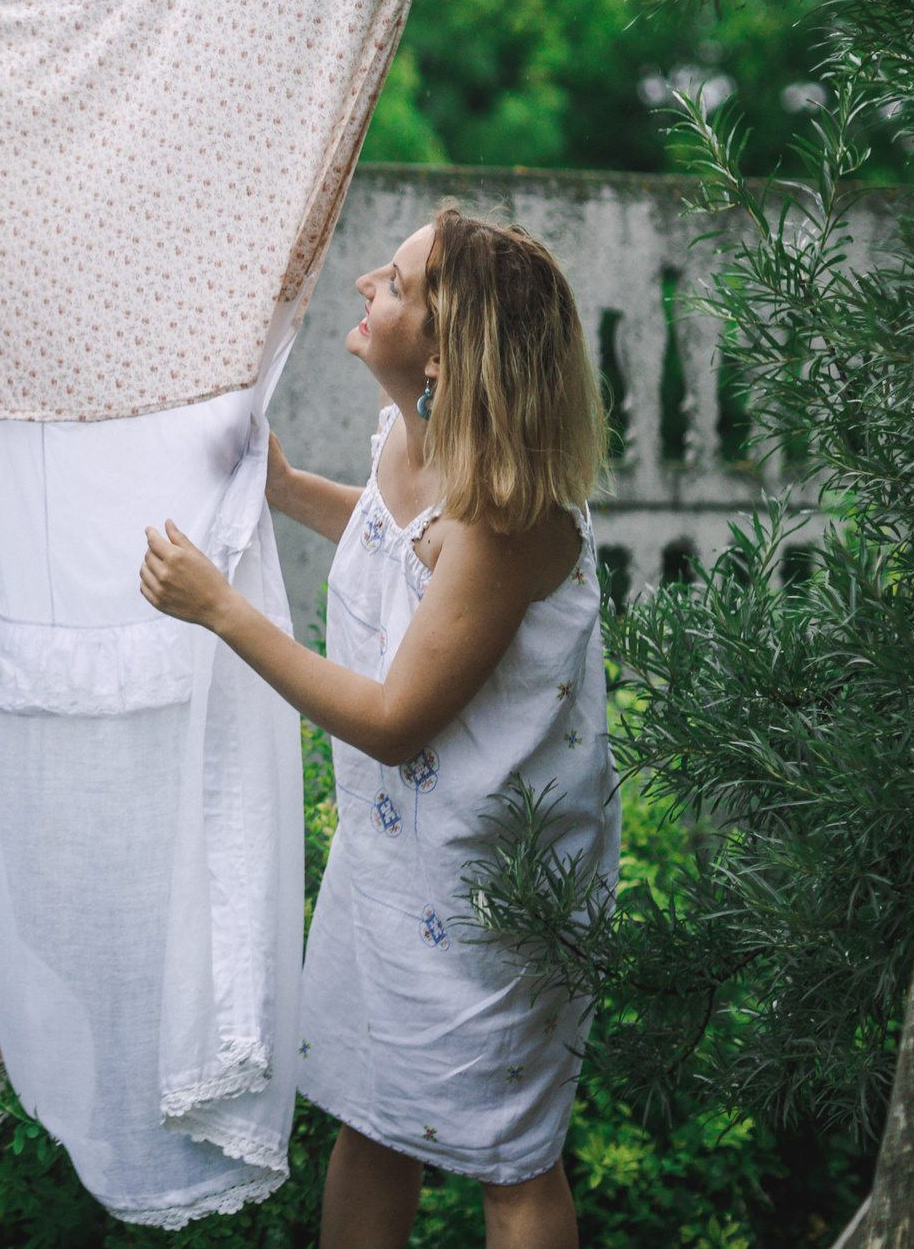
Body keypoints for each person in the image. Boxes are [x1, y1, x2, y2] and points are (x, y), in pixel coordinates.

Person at [136, 208, 617, 1249]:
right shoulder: (415, 436)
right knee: (374, 1115)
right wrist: (287, 489)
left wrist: (223, 609)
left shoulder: (506, 519)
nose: (364, 284)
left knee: (511, 1154)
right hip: (395, 859)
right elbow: (398, 541)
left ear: (445, 351)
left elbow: (395, 721)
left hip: (495, 879)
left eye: (394, 284)